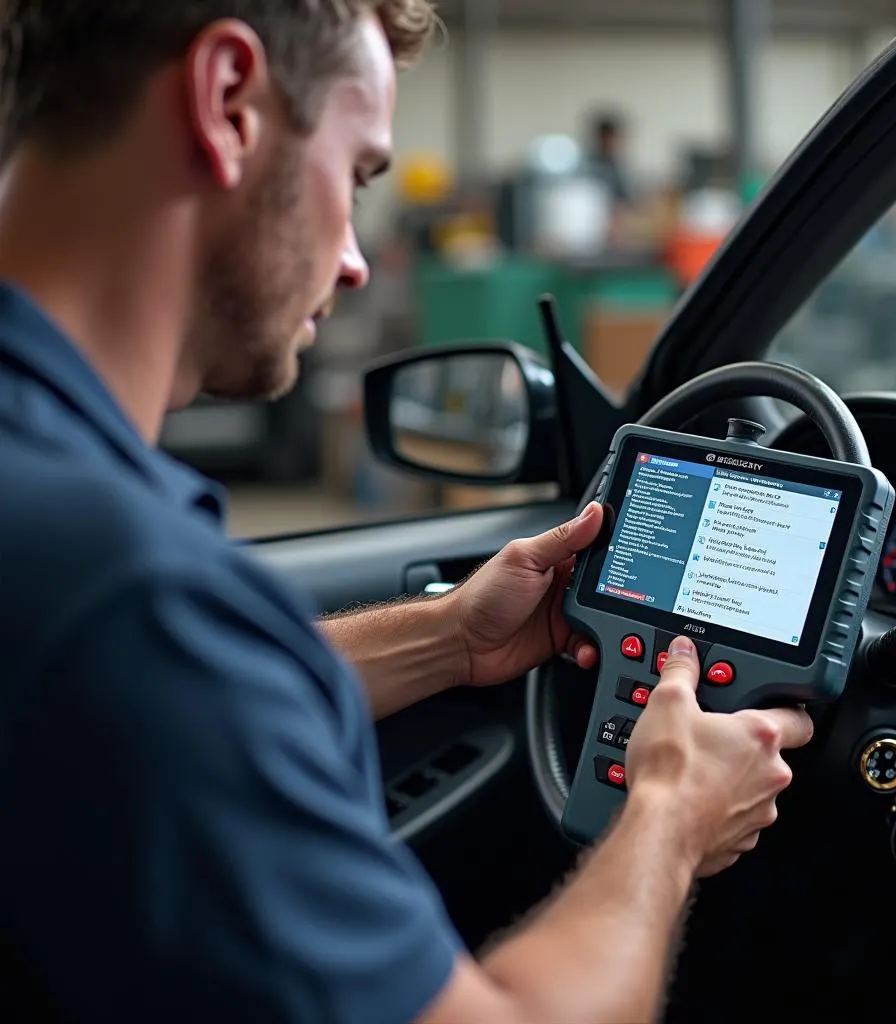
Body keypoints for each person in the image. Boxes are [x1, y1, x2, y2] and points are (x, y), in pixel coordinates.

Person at [0, 3, 814, 1022]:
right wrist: (668, 812)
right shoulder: (125, 595)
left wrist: (442, 640)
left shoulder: (65, 538)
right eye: (357, 174)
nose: (355, 260)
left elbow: (152, 696)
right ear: (227, 104)